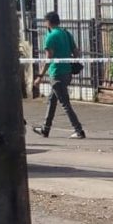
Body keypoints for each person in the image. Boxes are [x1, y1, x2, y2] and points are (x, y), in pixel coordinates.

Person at [31, 11, 85, 139]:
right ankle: (45, 129)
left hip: (56, 73)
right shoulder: (66, 33)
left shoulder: (50, 37)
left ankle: (79, 130)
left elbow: (49, 58)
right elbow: (76, 53)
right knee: (52, 100)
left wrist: (40, 76)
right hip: (67, 72)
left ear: (48, 22)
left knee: (65, 103)